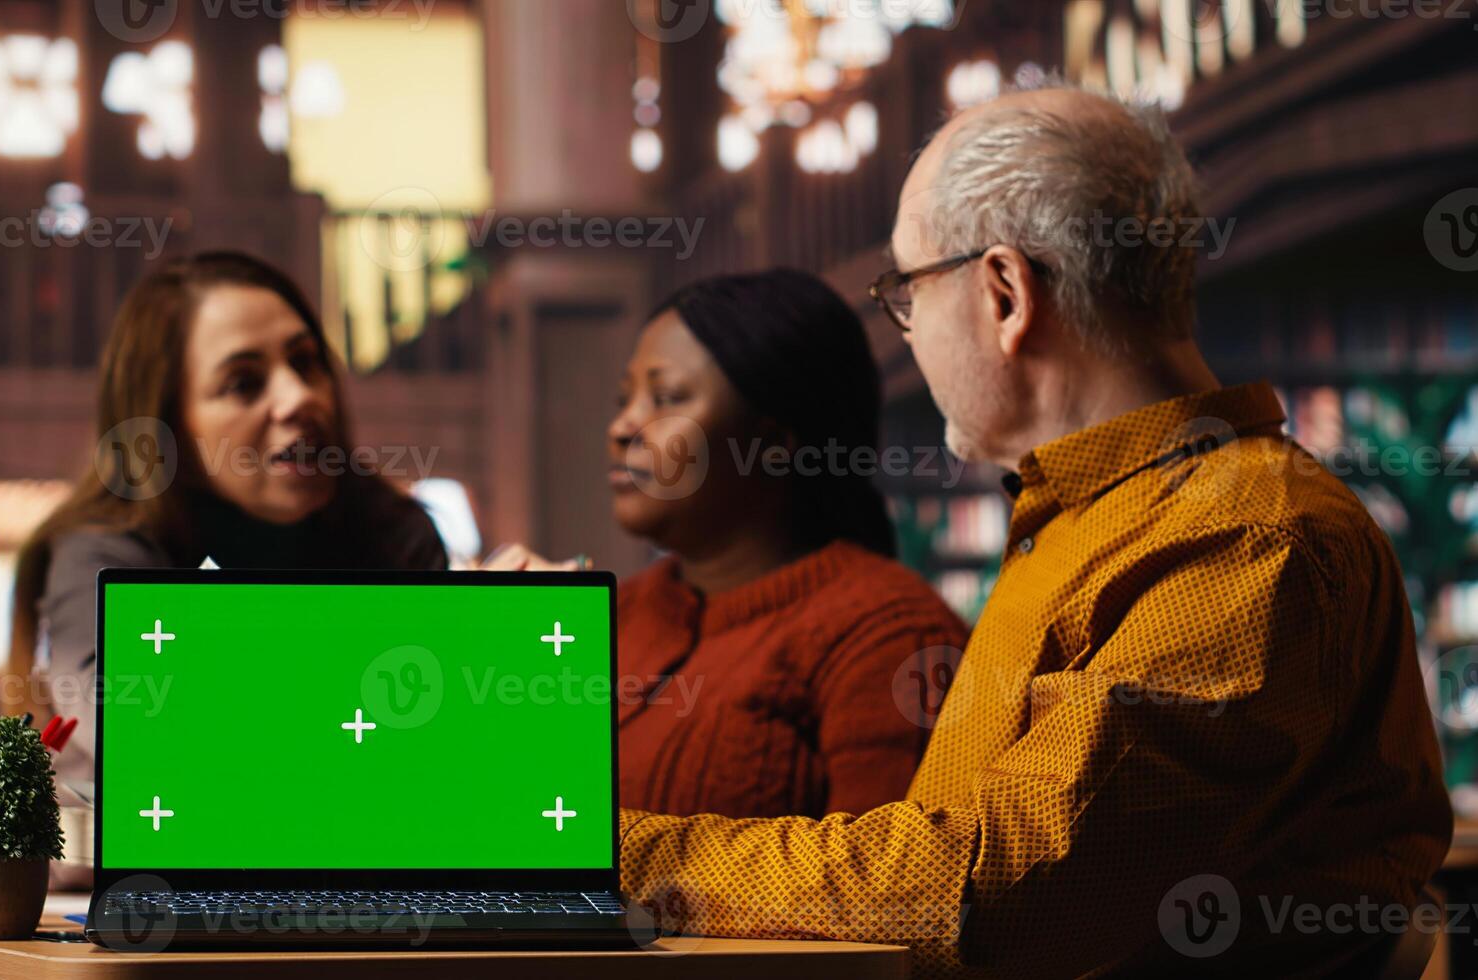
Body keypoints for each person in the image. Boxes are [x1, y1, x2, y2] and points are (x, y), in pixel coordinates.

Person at [615, 86, 1451, 976]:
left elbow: (992, 892)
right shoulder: (1088, 523)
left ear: (1004, 292)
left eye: (908, 291)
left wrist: (602, 851)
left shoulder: (1245, 537)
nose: (908, 333)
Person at [9, 251, 446, 785]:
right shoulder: (103, 557)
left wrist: (500, 641)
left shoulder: (395, 534)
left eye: (307, 363)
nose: (299, 397)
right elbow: (141, 730)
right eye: (243, 382)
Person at [607, 269, 968, 818]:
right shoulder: (613, 616)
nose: (623, 426)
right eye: (625, 399)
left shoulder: (890, 636)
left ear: (773, 442)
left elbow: (883, 895)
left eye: (666, 398)